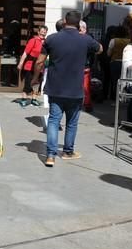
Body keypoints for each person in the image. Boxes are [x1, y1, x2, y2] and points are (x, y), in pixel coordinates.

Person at [32, 11, 101, 167]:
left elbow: (39, 61)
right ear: (78, 24)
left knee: (53, 121)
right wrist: (85, 37)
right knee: (72, 123)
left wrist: (36, 78)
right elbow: (100, 49)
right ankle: (68, 151)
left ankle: (50, 155)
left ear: (64, 21)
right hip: (76, 89)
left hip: (55, 88)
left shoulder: (51, 39)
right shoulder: (85, 40)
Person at [16, 25, 47, 106]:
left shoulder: (46, 42)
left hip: (40, 65)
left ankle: (34, 99)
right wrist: (20, 63)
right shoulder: (33, 40)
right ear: (38, 32)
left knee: (37, 82)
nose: (43, 33)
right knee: (28, 82)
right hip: (30, 64)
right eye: (42, 31)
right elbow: (25, 53)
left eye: (45, 32)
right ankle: (24, 99)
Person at [106, 26, 130, 102]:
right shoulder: (129, 41)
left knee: (115, 81)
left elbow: (108, 54)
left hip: (115, 62)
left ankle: (115, 98)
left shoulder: (113, 41)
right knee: (125, 80)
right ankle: (124, 97)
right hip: (126, 63)